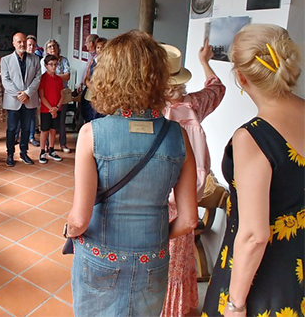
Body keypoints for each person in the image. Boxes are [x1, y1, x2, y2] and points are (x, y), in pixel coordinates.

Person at [66, 31, 198, 317]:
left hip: (101, 255)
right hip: (154, 258)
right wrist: (156, 241)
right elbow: (188, 221)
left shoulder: (92, 134)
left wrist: (70, 232)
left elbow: (79, 219)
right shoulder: (179, 136)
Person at [202, 24, 304, 317]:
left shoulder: (254, 138)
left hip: (264, 279)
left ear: (242, 78)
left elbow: (254, 235)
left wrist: (236, 303)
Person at [161, 40, 225, 317]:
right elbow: (217, 88)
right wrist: (205, 61)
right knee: (180, 254)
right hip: (187, 193)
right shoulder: (193, 105)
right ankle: (178, 308)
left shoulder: (148, 110)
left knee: (159, 254)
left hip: (156, 193)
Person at [1, 32, 42, 166]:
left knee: (26, 129)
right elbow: (5, 80)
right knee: (12, 129)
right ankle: (10, 154)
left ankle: (24, 153)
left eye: (24, 41)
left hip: (29, 100)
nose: (22, 44)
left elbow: (38, 77)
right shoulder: (5, 60)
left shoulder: (35, 59)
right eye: (19, 42)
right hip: (14, 101)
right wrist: (19, 95)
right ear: (13, 43)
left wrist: (28, 93)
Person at [41, 39, 71, 153]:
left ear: (58, 48)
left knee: (61, 121)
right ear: (46, 50)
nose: (52, 48)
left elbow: (67, 76)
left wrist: (55, 76)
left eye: (54, 46)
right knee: (48, 123)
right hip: (48, 97)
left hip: (61, 94)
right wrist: (58, 76)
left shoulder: (64, 60)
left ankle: (63, 144)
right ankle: (47, 146)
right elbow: (46, 76)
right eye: (49, 47)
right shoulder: (43, 61)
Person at [38, 54, 63, 164]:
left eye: (55, 65)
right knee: (45, 130)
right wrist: (51, 108)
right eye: (51, 65)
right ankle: (42, 151)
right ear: (46, 65)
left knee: (53, 130)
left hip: (57, 109)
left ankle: (51, 149)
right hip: (46, 110)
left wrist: (56, 108)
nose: (53, 67)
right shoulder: (42, 78)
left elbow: (62, 95)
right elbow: (42, 96)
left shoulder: (58, 79)